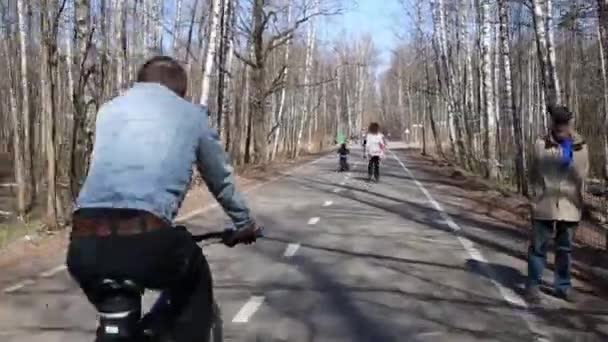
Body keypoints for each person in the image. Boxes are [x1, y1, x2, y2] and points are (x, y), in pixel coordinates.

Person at [66, 56, 262, 341]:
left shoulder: (108, 110)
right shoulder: (192, 116)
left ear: (140, 83)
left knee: (116, 310)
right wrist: (244, 223)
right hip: (148, 241)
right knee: (194, 276)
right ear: (180, 91)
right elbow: (220, 179)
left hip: (83, 244)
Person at [525, 105, 589, 304]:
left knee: (565, 249)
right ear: (552, 124)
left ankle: (562, 287)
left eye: (564, 124)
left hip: (570, 206)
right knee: (538, 247)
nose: (561, 128)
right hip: (544, 204)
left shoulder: (581, 147)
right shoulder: (540, 144)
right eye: (557, 124)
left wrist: (579, 199)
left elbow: (583, 175)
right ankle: (533, 286)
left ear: (570, 124)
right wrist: (534, 196)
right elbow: (533, 173)